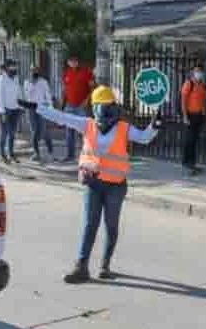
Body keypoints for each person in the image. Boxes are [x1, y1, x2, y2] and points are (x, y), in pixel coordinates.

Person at [37, 85, 161, 283]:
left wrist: (155, 125)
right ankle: (81, 267)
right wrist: (38, 108)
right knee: (90, 224)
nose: (103, 110)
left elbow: (144, 137)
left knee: (111, 226)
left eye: (106, 105)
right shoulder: (88, 125)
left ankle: (105, 266)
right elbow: (62, 117)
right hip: (93, 183)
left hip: (115, 186)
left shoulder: (123, 128)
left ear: (112, 106)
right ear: (95, 108)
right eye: (100, 106)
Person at [61, 55, 95, 162]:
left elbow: (93, 88)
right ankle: (70, 155)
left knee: (84, 131)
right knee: (69, 131)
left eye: (75, 60)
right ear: (68, 62)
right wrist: (63, 105)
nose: (73, 62)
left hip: (81, 106)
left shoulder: (86, 72)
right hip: (69, 106)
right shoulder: (66, 73)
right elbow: (65, 90)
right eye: (70, 61)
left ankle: (87, 155)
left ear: (78, 61)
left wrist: (87, 100)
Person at [180, 64, 206, 175]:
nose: (198, 73)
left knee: (195, 140)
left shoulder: (203, 85)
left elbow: (204, 101)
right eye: (196, 71)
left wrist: (205, 114)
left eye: (200, 71)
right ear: (192, 73)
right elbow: (183, 101)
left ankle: (192, 163)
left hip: (199, 115)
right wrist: (185, 116)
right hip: (190, 115)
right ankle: (187, 162)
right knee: (189, 139)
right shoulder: (188, 84)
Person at [23, 66, 54, 162]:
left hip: (42, 107)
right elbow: (26, 95)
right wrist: (32, 85)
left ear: (38, 71)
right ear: (30, 71)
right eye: (33, 70)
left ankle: (50, 152)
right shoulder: (27, 82)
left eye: (36, 70)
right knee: (34, 131)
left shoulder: (43, 81)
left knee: (44, 131)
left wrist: (51, 106)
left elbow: (47, 94)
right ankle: (36, 153)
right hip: (31, 108)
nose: (34, 72)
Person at [0, 60, 22, 164]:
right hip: (5, 110)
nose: (14, 69)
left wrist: (20, 106)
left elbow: (19, 92)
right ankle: (2, 155)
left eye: (15, 67)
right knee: (4, 133)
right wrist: (2, 111)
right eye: (12, 67)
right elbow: (0, 97)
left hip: (15, 109)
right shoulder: (1, 80)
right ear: (7, 68)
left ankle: (11, 153)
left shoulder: (16, 78)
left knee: (12, 133)